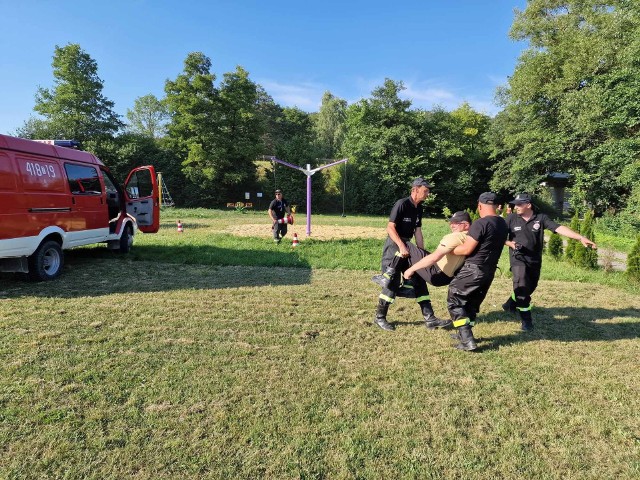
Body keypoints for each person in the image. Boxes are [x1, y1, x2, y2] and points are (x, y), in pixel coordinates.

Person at [502, 193, 597, 331]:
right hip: (518, 259)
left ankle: (510, 304)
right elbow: (498, 236)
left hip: (534, 260)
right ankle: (526, 321)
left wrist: (580, 237)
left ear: (528, 205)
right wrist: (509, 243)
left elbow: (558, 228)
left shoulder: (540, 218)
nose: (515, 207)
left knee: (530, 287)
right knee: (521, 286)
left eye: (519, 204)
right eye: (515, 204)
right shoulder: (511, 218)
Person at [447, 192, 508, 351]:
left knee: (455, 298)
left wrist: (451, 250)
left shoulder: (480, 223)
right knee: (472, 303)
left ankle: (467, 340)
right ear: (496, 206)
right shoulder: (502, 224)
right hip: (489, 270)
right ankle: (464, 334)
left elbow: (467, 249)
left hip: (473, 269)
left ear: (479, 206)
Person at [371, 177, 433, 331]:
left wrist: (421, 252)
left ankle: (430, 318)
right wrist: (400, 245)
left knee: (418, 278)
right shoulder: (402, 204)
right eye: (426, 191)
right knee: (391, 283)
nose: (428, 194)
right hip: (394, 246)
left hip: (408, 246)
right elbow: (390, 228)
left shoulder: (419, 208)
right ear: (415, 189)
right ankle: (379, 318)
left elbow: (417, 231)